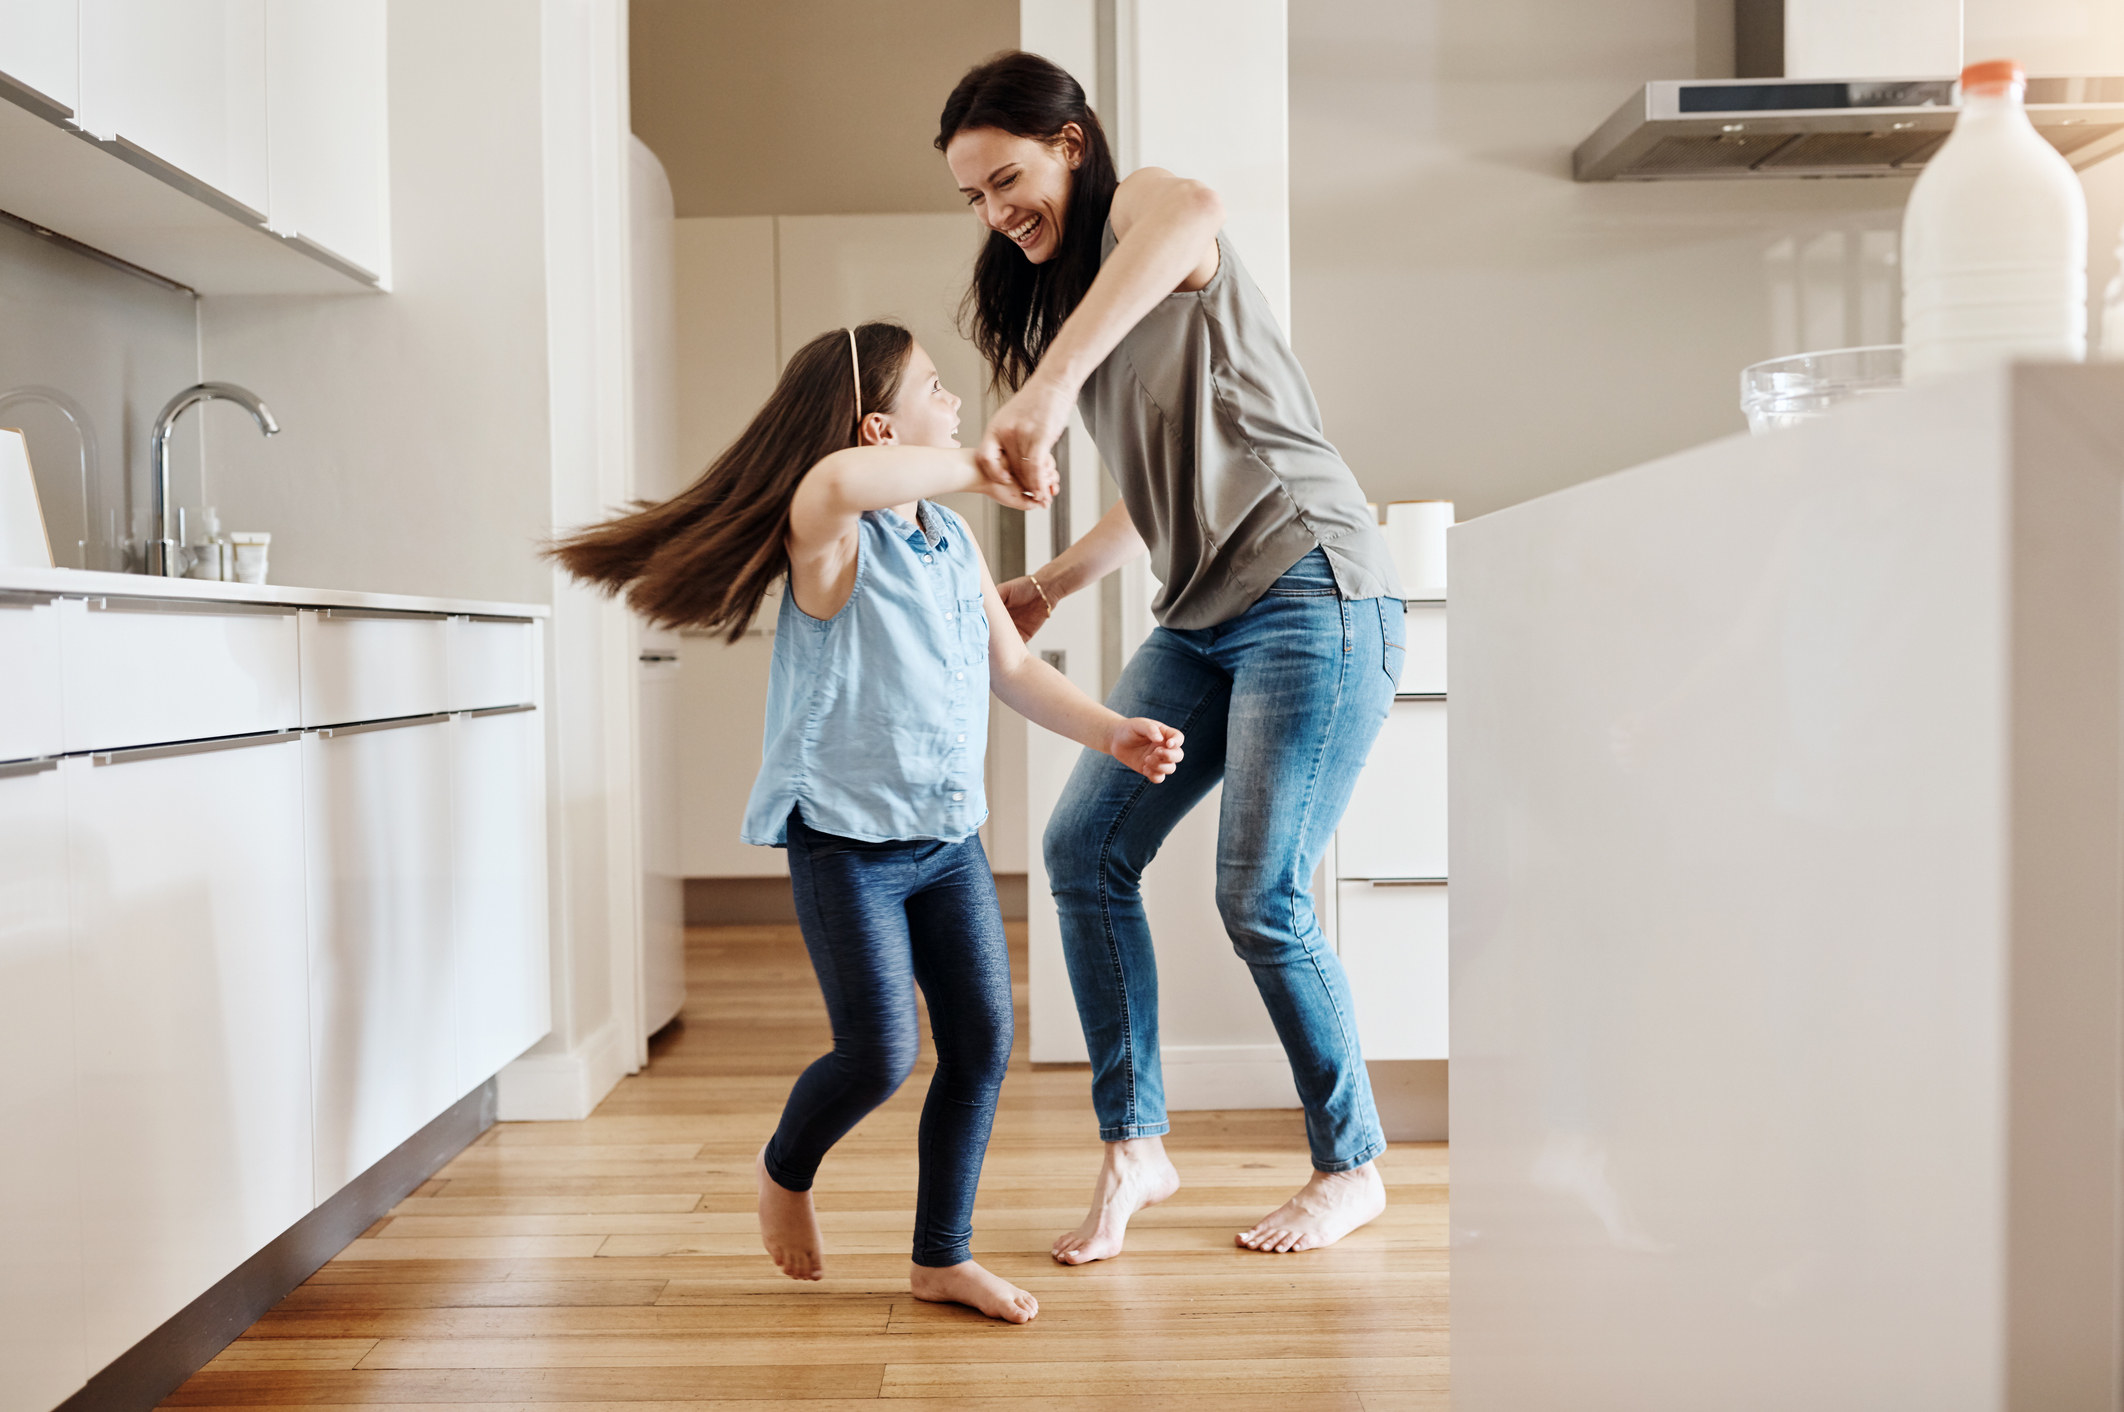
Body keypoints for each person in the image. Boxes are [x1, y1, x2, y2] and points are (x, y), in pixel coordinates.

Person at [549, 321, 1185, 1323]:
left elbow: (1011, 668)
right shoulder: (833, 540)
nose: (960, 403)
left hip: (945, 841)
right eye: (939, 388)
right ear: (881, 427)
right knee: (881, 1051)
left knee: (980, 1041)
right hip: (844, 842)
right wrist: (981, 465)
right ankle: (785, 1167)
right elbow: (835, 482)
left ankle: (941, 1256)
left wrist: (1113, 734)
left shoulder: (949, 538)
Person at [937, 53, 1406, 1262]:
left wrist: (1044, 392)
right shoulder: (1079, 295)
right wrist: (1044, 580)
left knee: (1261, 892)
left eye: (1009, 179)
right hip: (1201, 609)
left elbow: (1199, 207)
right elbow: (1160, 494)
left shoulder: (1148, 210)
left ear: (1072, 144)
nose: (999, 213)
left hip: (1312, 584)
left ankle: (1350, 1163)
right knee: (1083, 848)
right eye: (975, 199)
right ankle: (1136, 1142)